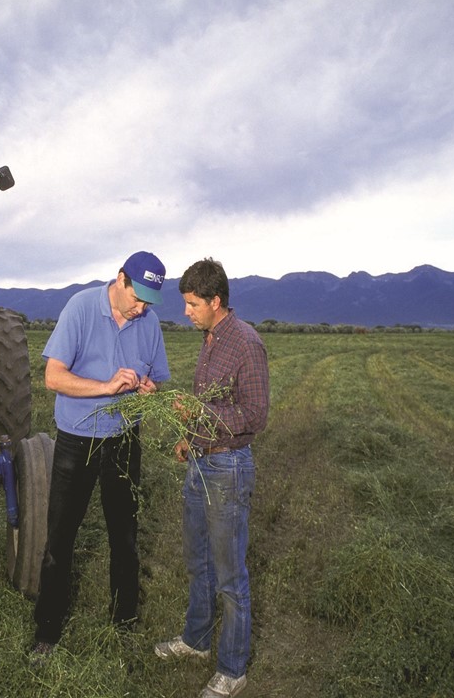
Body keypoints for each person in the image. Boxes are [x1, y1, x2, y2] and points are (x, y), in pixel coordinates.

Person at [29, 250, 171, 663]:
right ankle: (47, 632)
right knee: (60, 537)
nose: (141, 306)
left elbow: (157, 380)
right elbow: (53, 377)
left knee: (124, 535)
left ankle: (123, 623)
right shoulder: (82, 308)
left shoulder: (150, 323)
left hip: (125, 440)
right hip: (77, 439)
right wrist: (106, 387)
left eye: (149, 300)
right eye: (137, 296)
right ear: (121, 278)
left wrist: (147, 388)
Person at [153, 257, 269, 698]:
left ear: (215, 301)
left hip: (228, 468)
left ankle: (233, 669)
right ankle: (197, 641)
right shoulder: (211, 338)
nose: (186, 311)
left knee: (229, 575)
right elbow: (212, 408)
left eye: (192, 303)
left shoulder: (246, 344)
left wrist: (200, 416)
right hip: (201, 462)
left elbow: (255, 415)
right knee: (197, 561)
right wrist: (190, 437)